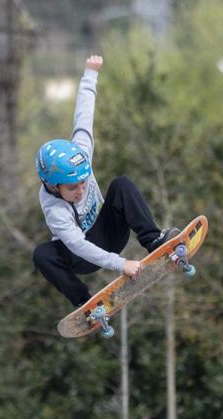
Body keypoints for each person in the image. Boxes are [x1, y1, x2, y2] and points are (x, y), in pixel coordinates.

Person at [33, 55, 178, 307]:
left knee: (121, 184)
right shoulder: (54, 209)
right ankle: (84, 302)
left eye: (83, 182)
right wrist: (120, 265)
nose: (80, 190)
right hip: (81, 255)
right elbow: (78, 245)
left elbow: (83, 117)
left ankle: (153, 241)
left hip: (110, 231)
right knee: (42, 254)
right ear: (52, 186)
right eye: (72, 188)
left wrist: (90, 74)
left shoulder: (81, 153)